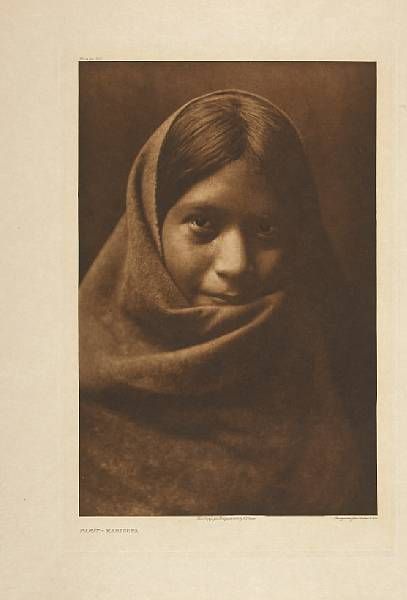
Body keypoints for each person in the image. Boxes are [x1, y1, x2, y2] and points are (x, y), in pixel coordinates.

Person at [79, 89, 368, 516]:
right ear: (150, 225)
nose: (235, 264)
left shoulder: (327, 370)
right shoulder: (67, 382)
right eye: (202, 223)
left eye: (266, 229)